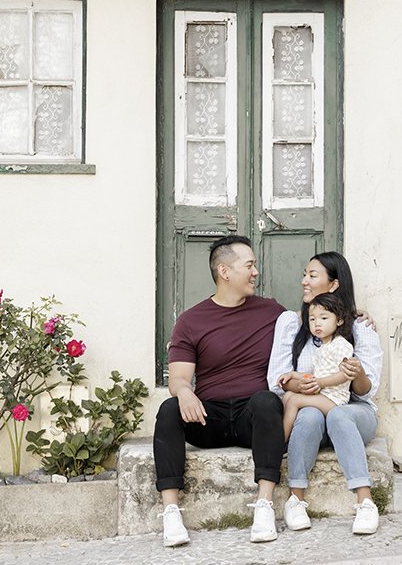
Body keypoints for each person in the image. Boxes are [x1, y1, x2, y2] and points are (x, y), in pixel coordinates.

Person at [154, 235, 286, 548]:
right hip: (207, 418)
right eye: (249, 265)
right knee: (169, 409)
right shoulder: (191, 321)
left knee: (268, 401)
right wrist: (185, 392)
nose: (256, 272)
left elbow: (318, 323)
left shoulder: (272, 312)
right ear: (225, 272)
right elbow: (179, 379)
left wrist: (358, 319)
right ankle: (171, 512)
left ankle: (264, 506)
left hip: (249, 418)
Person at [267, 251, 382, 536]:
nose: (304, 281)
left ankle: (365, 502)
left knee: (340, 415)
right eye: (304, 275)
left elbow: (367, 392)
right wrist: (299, 385)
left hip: (353, 411)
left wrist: (357, 374)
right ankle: (296, 500)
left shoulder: (360, 327)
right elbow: (275, 381)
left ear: (334, 285)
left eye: (312, 275)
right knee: (306, 415)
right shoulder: (291, 323)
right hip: (316, 408)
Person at [280, 291, 354, 439]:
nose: (317, 323)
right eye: (312, 319)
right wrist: (293, 375)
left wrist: (320, 382)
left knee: (295, 400)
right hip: (323, 394)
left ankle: (280, 443)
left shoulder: (341, 345)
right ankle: (287, 434)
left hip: (334, 399)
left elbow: (344, 375)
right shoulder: (323, 347)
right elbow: (316, 374)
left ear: (339, 320)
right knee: (288, 396)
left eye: (324, 318)